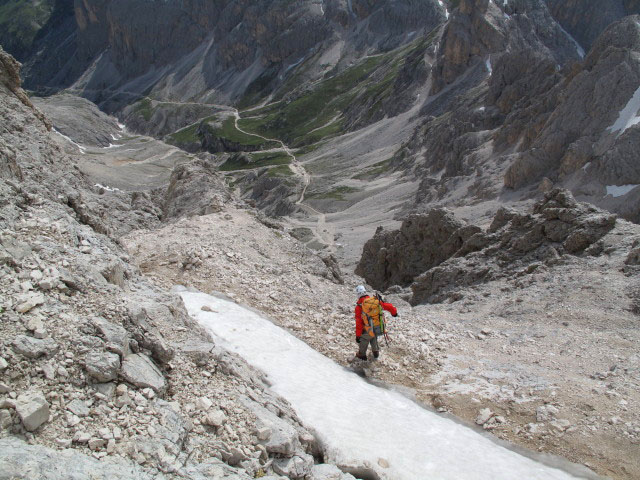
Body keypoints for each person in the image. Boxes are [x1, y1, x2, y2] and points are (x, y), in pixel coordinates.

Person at [354, 285, 397, 360]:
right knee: (373, 336)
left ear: (358, 295)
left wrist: (358, 336)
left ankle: (362, 355)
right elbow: (388, 306)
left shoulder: (359, 306)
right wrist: (394, 313)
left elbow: (359, 323)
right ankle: (375, 351)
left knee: (364, 338)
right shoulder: (374, 301)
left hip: (368, 328)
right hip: (378, 326)